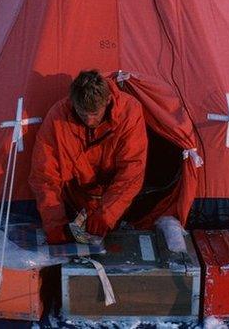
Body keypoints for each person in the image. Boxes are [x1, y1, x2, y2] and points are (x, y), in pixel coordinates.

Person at [28, 70, 148, 244]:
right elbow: (44, 175)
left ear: (107, 102)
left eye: (94, 114)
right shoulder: (57, 117)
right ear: (73, 103)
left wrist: (106, 214)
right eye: (83, 114)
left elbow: (132, 171)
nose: (89, 121)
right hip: (73, 200)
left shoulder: (129, 112)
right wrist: (55, 223)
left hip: (119, 202)